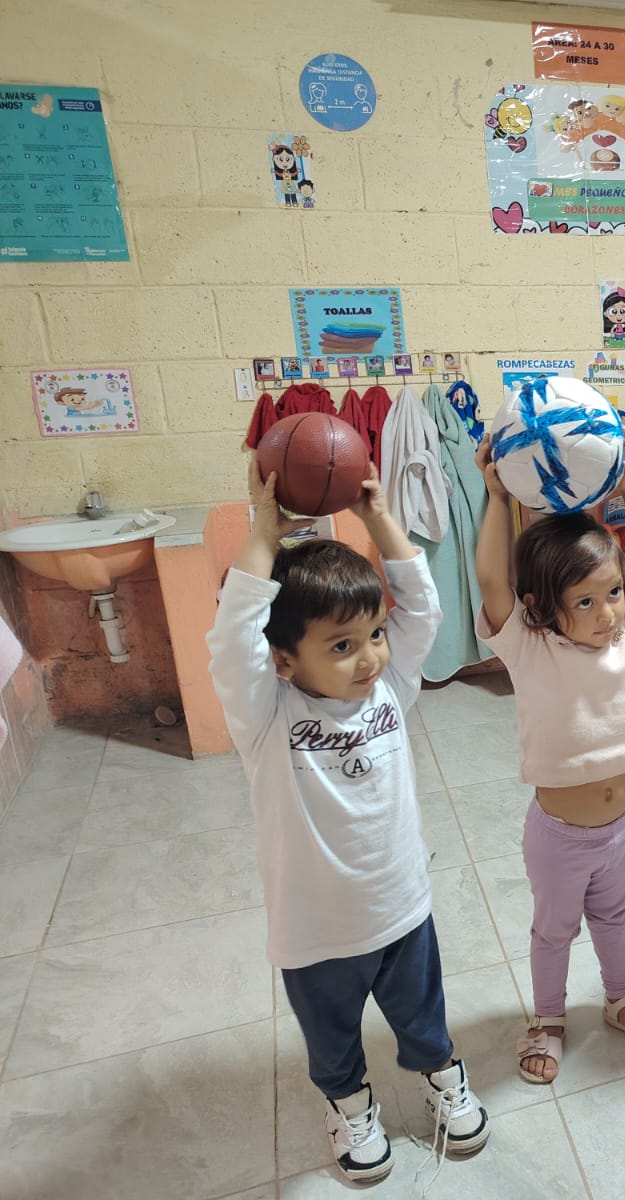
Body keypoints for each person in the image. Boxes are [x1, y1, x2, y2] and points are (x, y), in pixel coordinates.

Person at [207, 459, 489, 1183]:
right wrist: (262, 536)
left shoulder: (390, 687)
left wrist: (379, 519)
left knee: (422, 1013)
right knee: (331, 1035)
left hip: (401, 905)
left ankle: (441, 1075)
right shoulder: (266, 716)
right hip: (315, 928)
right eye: (340, 646)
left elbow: (422, 608)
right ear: (282, 660)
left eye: (374, 635)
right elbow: (232, 640)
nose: (368, 658)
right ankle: (349, 1103)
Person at [474, 437, 625, 1086]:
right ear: (541, 607)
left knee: (614, 917)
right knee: (554, 931)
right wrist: (496, 498)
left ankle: (621, 998)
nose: (608, 612)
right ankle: (550, 1018)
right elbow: (492, 581)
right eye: (585, 602)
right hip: (559, 834)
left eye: (613, 592)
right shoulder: (528, 646)